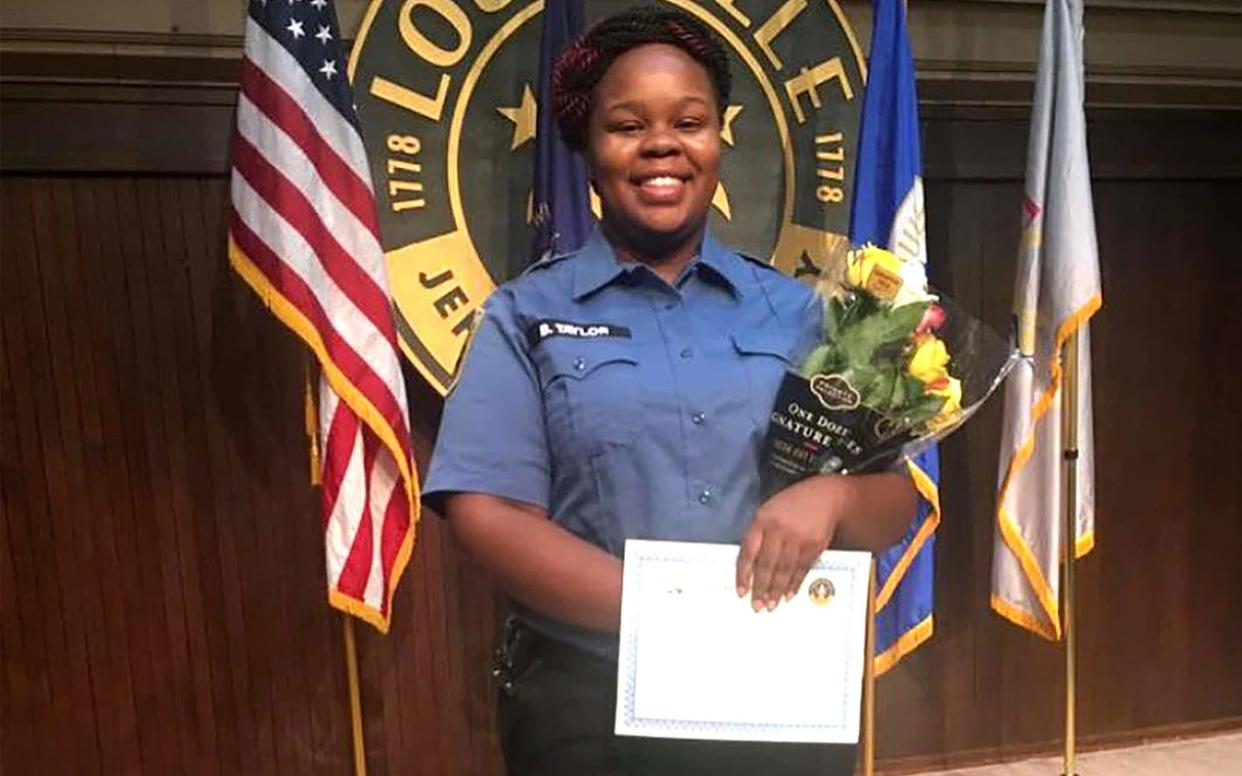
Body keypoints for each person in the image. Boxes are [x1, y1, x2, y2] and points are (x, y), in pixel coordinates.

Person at [423, 7, 919, 774]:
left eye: (689, 121)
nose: (662, 144)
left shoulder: (801, 313)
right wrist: (670, 616)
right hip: (590, 700)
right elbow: (487, 513)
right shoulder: (526, 316)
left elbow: (893, 501)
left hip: (778, 685)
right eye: (628, 125)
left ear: (719, 139)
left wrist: (834, 500)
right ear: (589, 150)